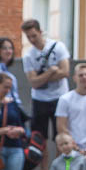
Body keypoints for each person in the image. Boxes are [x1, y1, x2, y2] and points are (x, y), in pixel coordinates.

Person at [20, 19, 72, 155]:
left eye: (34, 35)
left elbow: (65, 72)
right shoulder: (29, 56)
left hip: (59, 97)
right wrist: (51, 71)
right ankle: (44, 168)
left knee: (60, 135)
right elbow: (33, 82)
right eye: (28, 37)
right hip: (39, 99)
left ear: (40, 32)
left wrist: (40, 78)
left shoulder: (58, 47)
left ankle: (59, 165)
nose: (32, 40)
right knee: (39, 139)